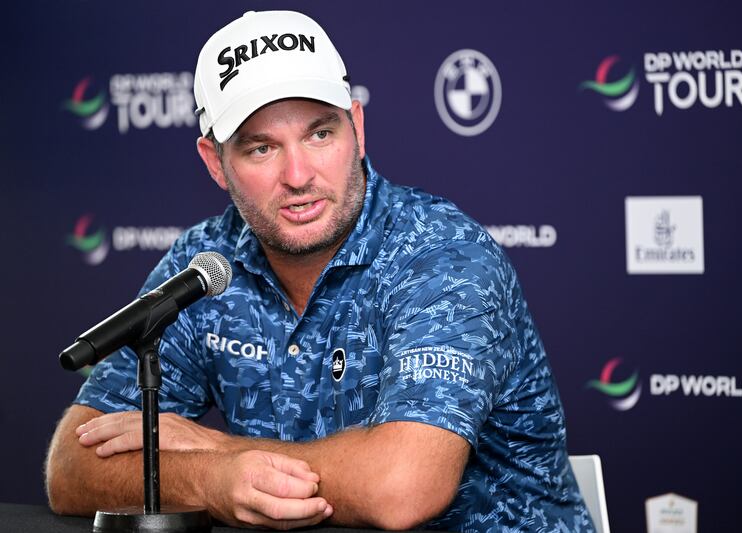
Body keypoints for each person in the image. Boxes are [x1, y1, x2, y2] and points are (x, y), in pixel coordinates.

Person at [45, 10, 594, 532]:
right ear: (215, 163)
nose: (299, 174)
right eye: (261, 148)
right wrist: (212, 482)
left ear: (357, 127)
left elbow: (403, 487)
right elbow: (71, 468)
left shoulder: (443, 255)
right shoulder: (206, 262)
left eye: (320, 134)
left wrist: (219, 449)